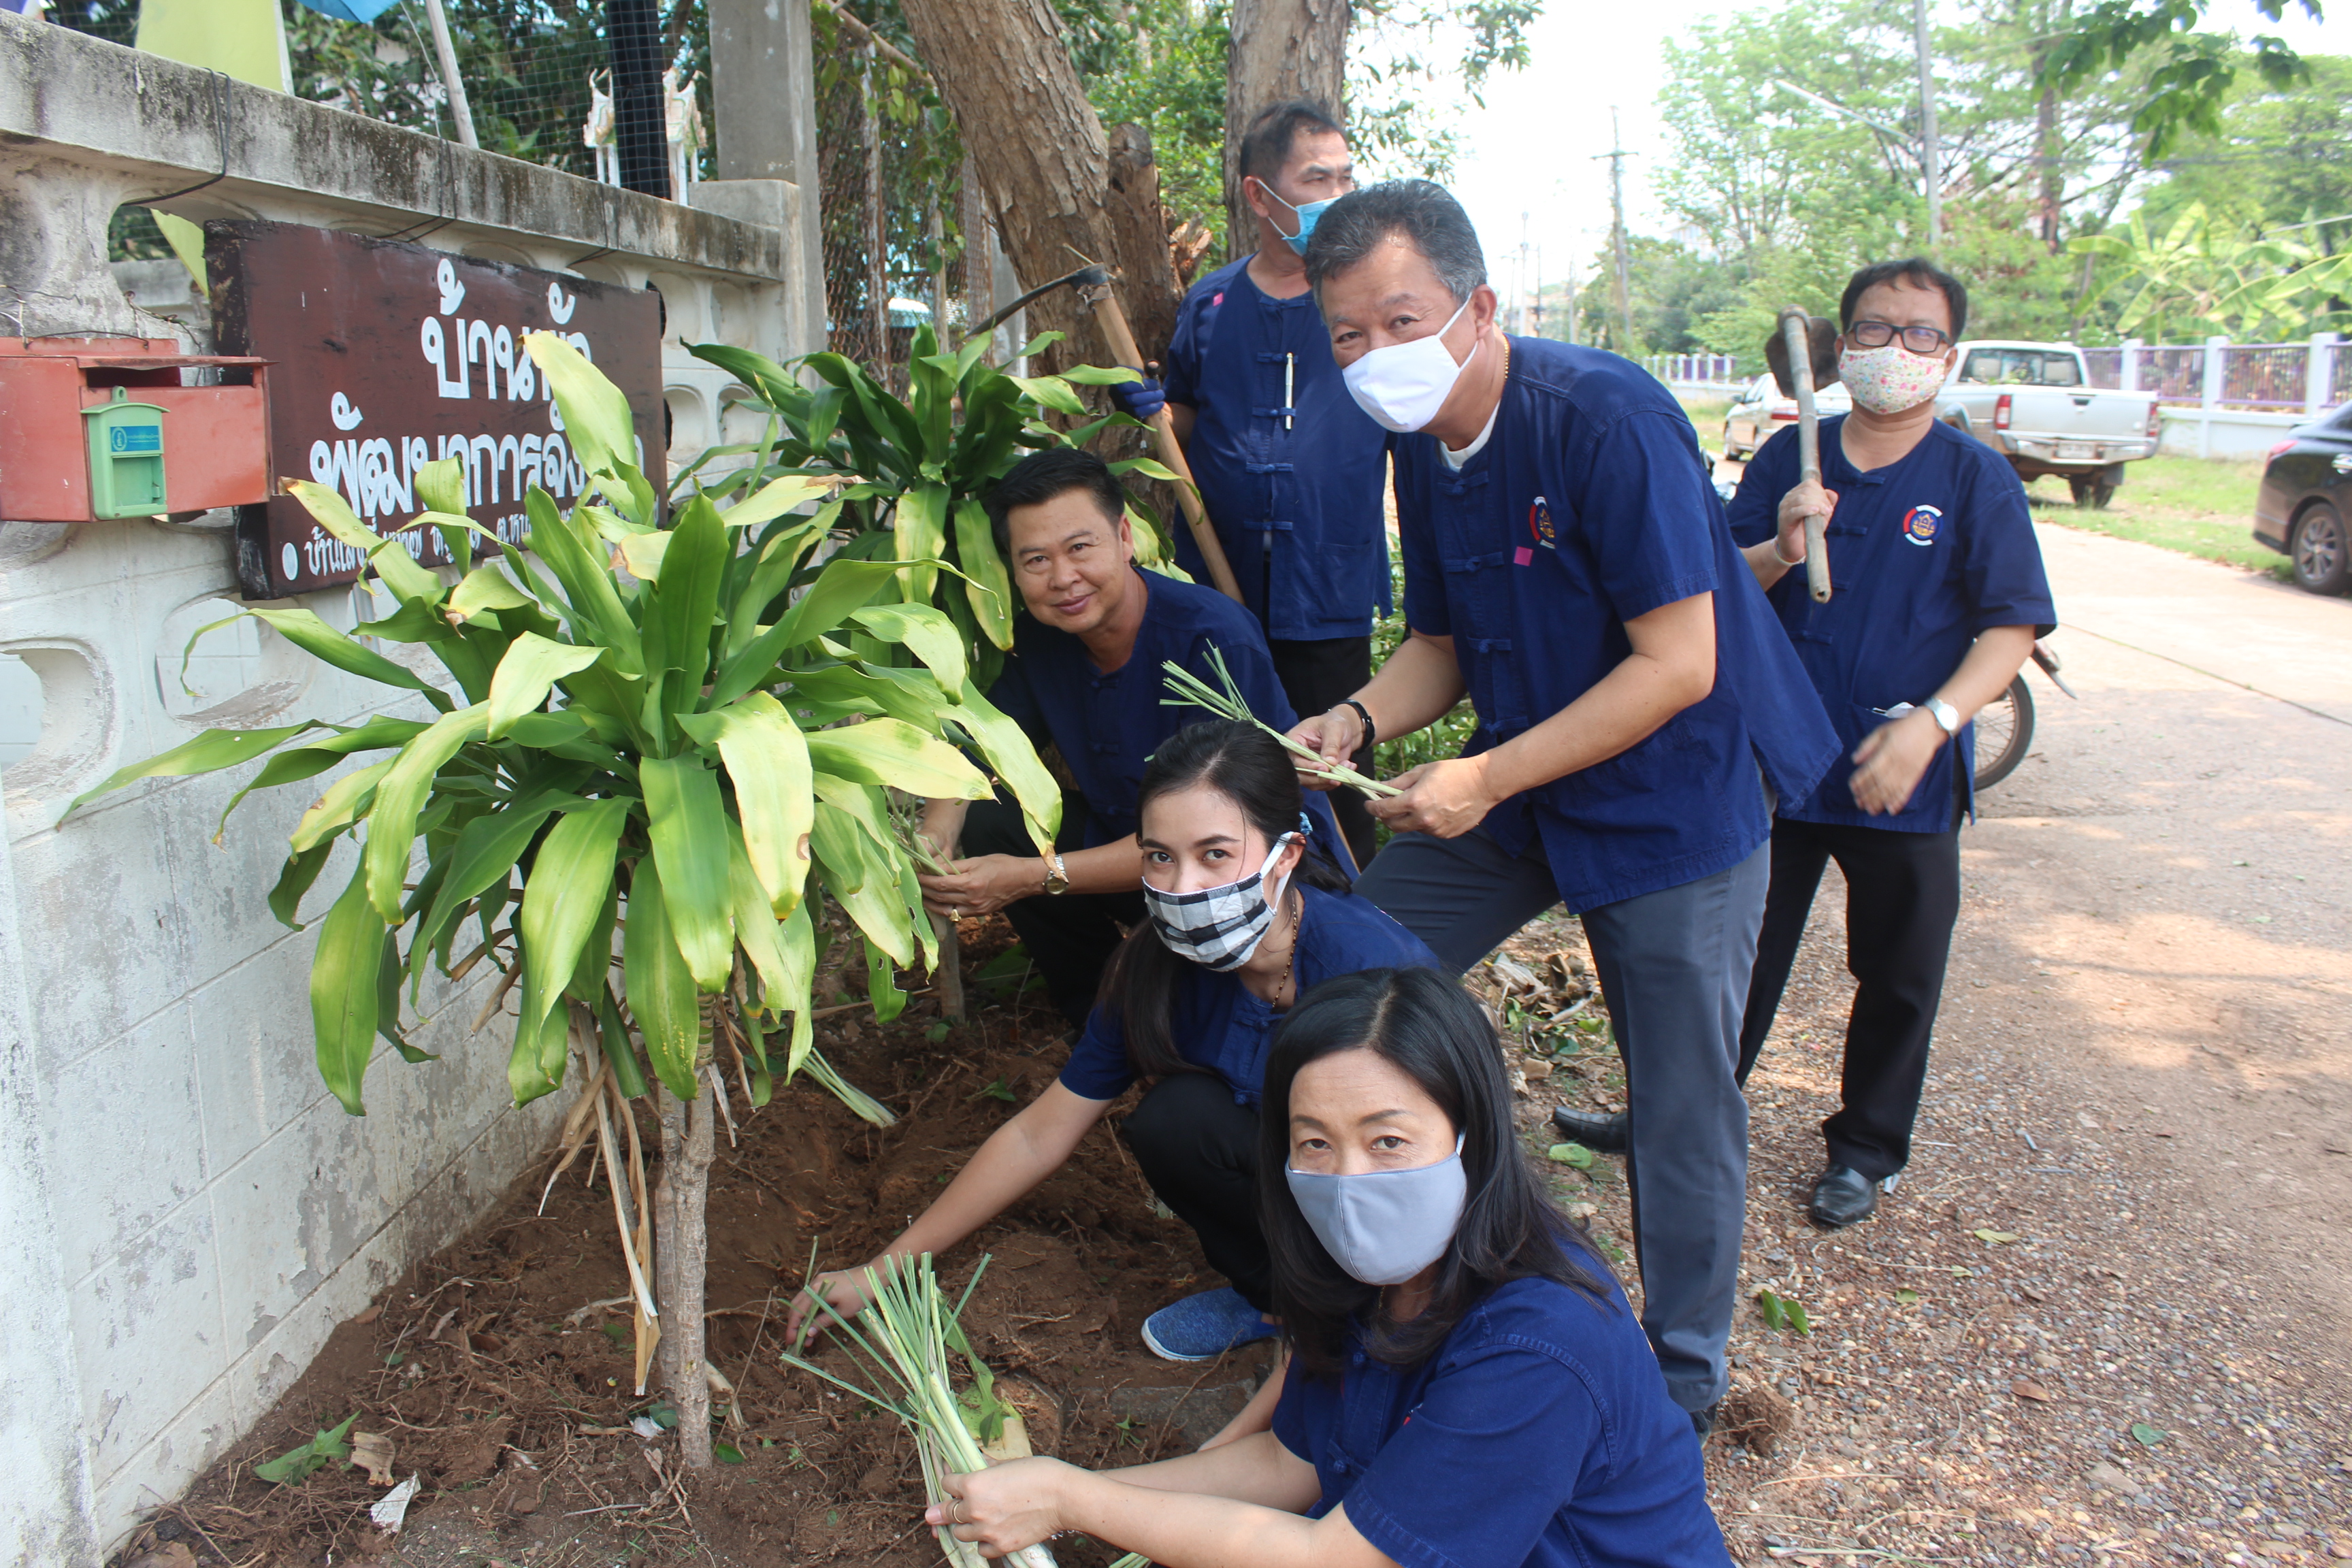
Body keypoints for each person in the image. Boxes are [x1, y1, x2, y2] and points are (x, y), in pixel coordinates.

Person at [1285, 180, 1841, 1433]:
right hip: (1528, 776)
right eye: (1347, 337)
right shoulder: (1423, 448)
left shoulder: (1604, 417)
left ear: (1477, 308)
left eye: (1399, 319)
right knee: (1355, 964)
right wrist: (1363, 719)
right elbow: (1439, 640)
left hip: (1671, 798)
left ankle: (1681, 1375)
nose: (1375, 356)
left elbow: (1678, 663)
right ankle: (1421, 1272)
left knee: (1682, 1096)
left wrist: (1482, 776)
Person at [921, 967, 1729, 1567]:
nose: (1347, 1181)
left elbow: (1339, 1560)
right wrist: (1072, 1492)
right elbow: (1291, 1463)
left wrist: (1072, 1498)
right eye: (1315, 1143)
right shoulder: (1364, 1277)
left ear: (1471, 1137)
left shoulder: (1540, 1343)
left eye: (1388, 1142)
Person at [792, 721, 1439, 1363]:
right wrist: (883, 1269)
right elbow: (1037, 1133)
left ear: (1287, 855)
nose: (1184, 887)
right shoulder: (1154, 971)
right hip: (1279, 1173)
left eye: (1216, 854)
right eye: (1160, 856)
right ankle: (1275, 1299)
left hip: (1378, 1186)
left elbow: (1448, 1160)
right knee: (1175, 1122)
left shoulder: (1377, 970)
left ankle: (1364, 1312)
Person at [1718, 257, 2054, 1230]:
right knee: (1734, 949)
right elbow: (1721, 588)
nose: (1894, 350)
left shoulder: (1973, 477)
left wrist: (1935, 724)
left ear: (1947, 358)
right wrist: (1781, 547)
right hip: (1777, 759)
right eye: (1873, 330)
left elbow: (2010, 630)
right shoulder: (1791, 459)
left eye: (1918, 335)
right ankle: (1687, 1108)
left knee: (1900, 970)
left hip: (1899, 770)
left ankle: (1865, 1149)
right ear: (1838, 344)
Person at [913, 447, 1348, 1030]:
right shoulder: (1044, 641)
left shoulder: (1211, 639)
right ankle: (1100, 1014)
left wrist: (1032, 876)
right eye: (1036, 560)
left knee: (1221, 1016)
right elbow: (981, 742)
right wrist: (937, 830)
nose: (1063, 578)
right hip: (1135, 857)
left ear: (1124, 537)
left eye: (1079, 548)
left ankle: (1192, 1014)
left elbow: (1210, 838)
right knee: (993, 820)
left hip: (1244, 880)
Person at [1109, 100, 1392, 871]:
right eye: (1316, 178)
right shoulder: (1213, 302)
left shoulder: (1370, 302)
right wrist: (1154, 410)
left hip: (1326, 579)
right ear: (1260, 195)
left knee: (1332, 766)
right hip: (1221, 578)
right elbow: (1190, 421)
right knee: (1223, 763)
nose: (1337, 192)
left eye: (1345, 175)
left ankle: (1349, 924)